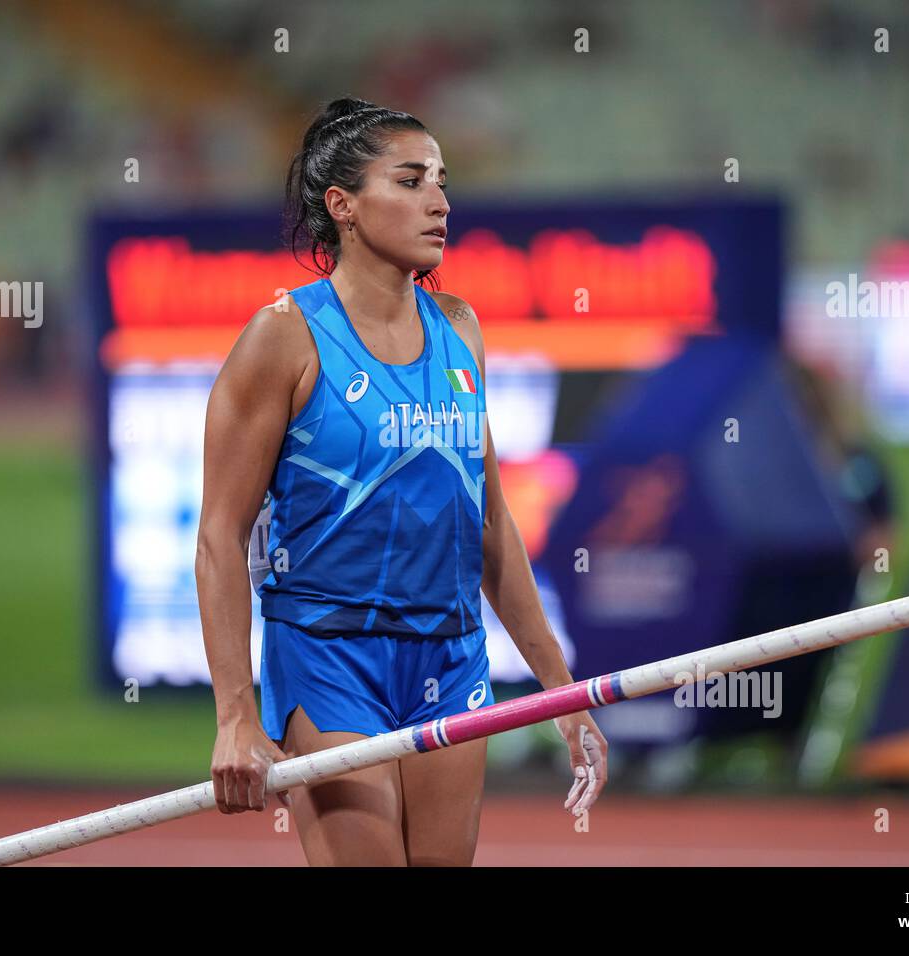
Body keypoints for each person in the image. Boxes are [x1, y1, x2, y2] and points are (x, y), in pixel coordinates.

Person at [195, 96, 607, 866]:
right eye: (412, 181)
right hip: (327, 652)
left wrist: (561, 690)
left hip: (450, 657)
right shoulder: (282, 338)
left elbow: (488, 523)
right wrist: (234, 716)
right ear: (343, 206)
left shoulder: (461, 328)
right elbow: (220, 533)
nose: (441, 202)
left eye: (443, 182)